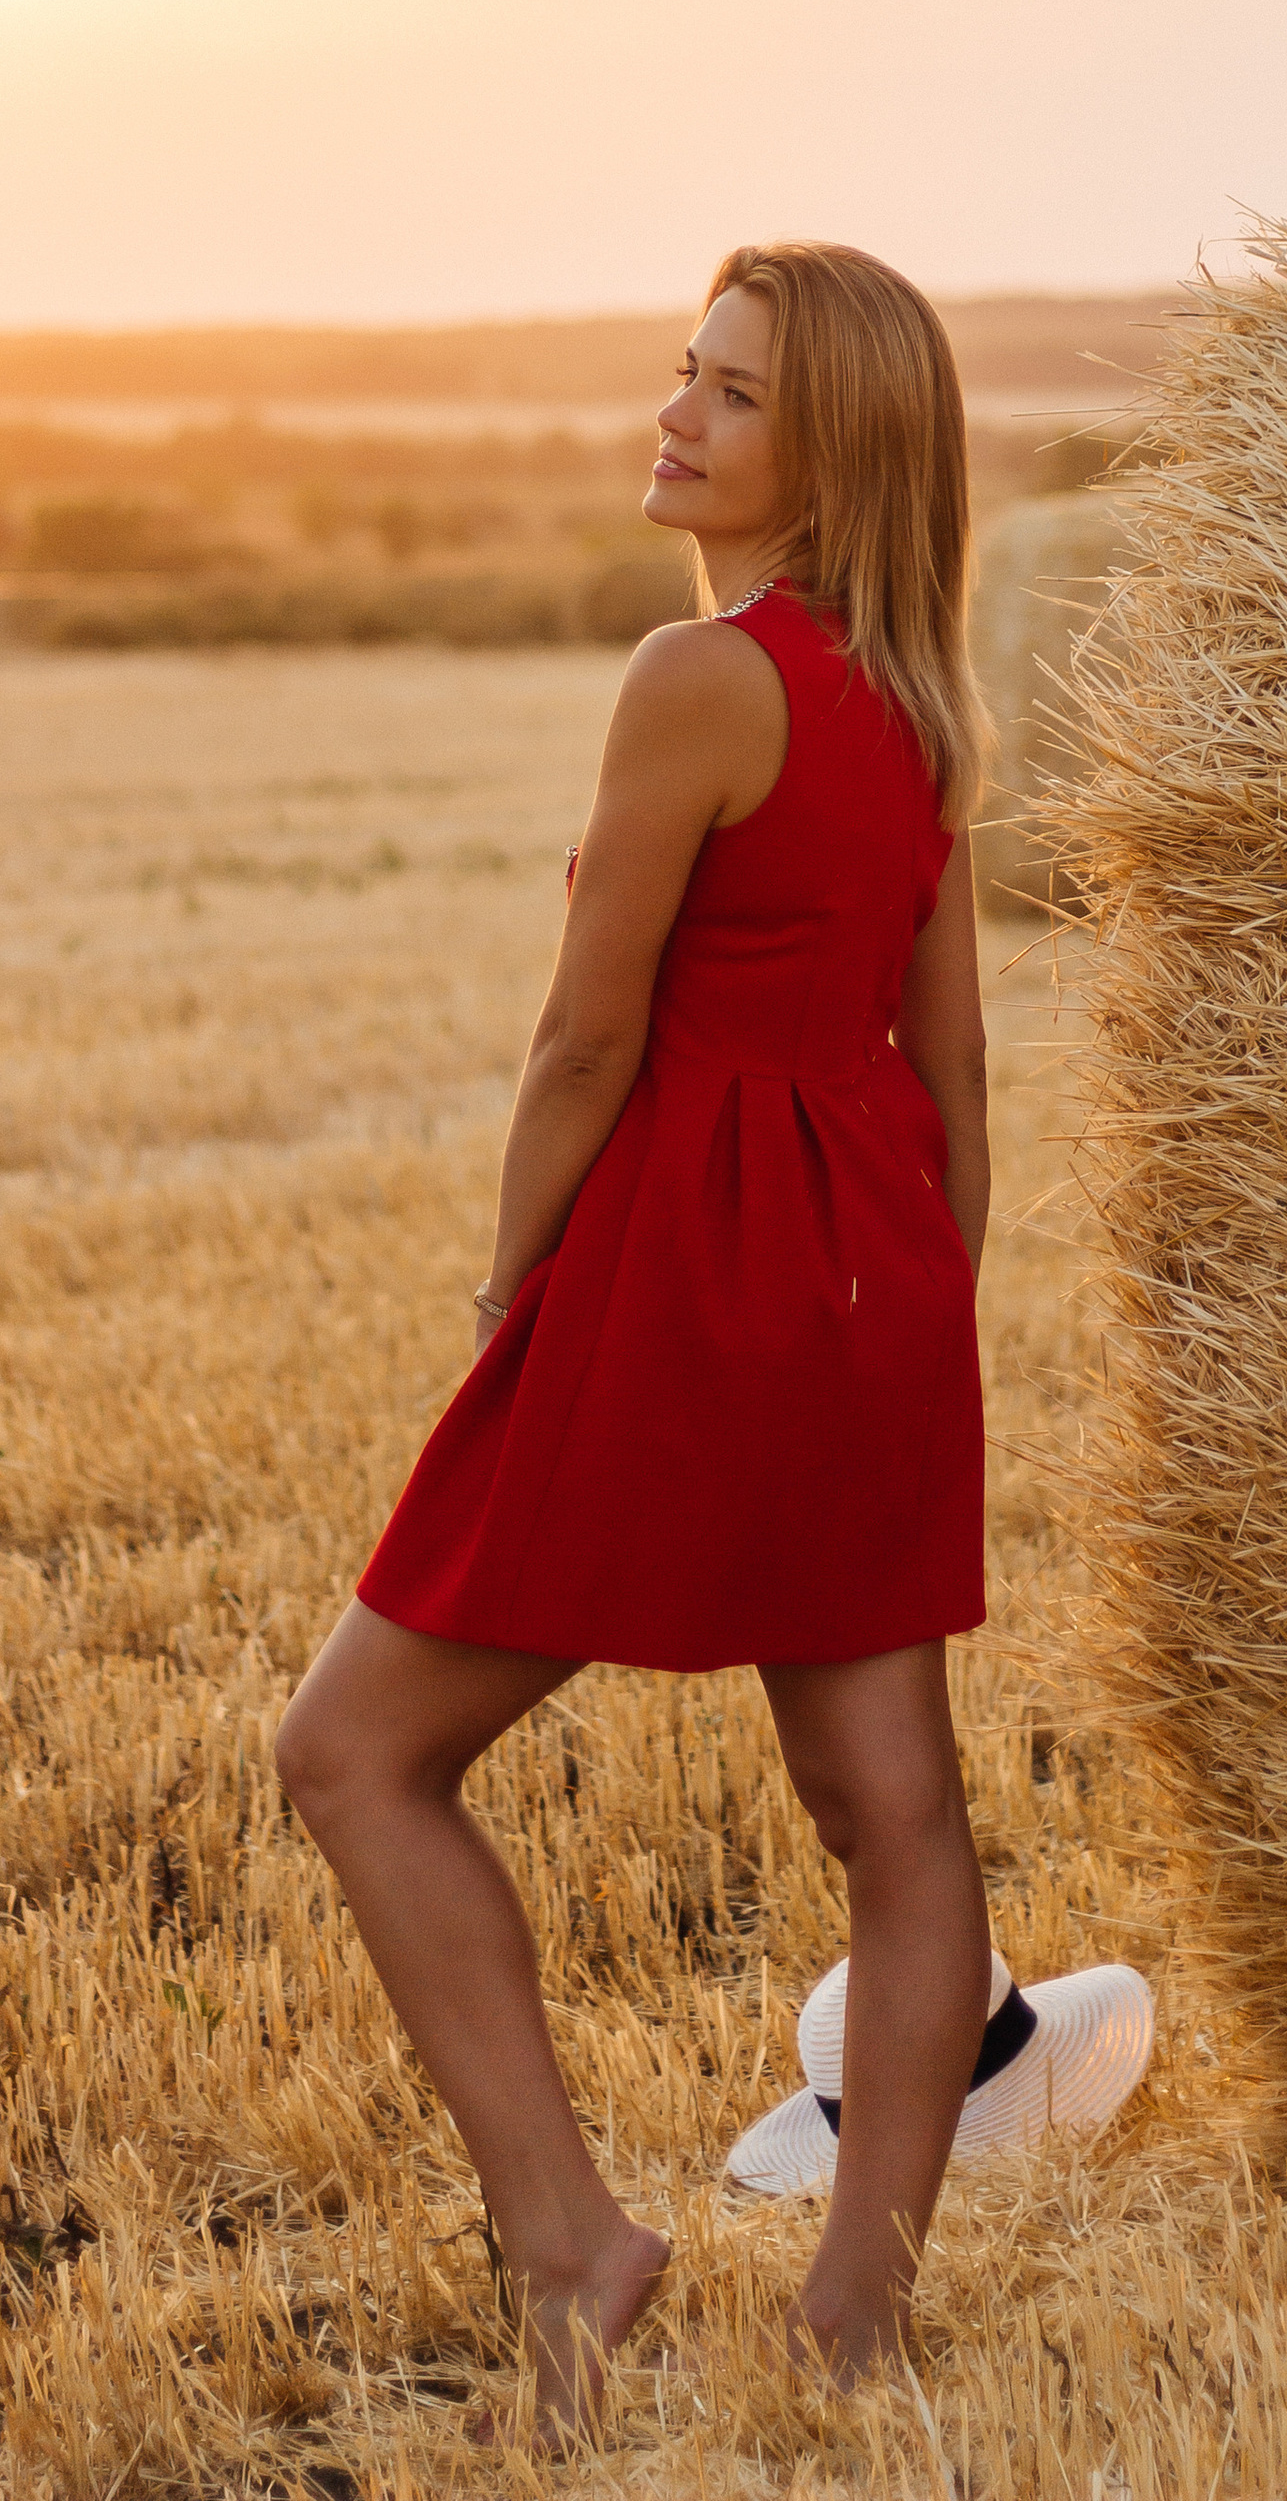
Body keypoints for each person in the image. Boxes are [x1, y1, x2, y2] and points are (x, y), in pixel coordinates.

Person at [274, 239, 994, 2442]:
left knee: (353, 1753)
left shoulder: (698, 682)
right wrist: (913, 1325)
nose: (676, 413)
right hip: (868, 1265)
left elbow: (583, 1049)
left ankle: (574, 2250)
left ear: (831, 451)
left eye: (735, 396)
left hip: (682, 1267)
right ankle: (853, 2316)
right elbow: (956, 1076)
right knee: (891, 1804)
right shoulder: (926, 698)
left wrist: (515, 1300)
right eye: (684, 371)